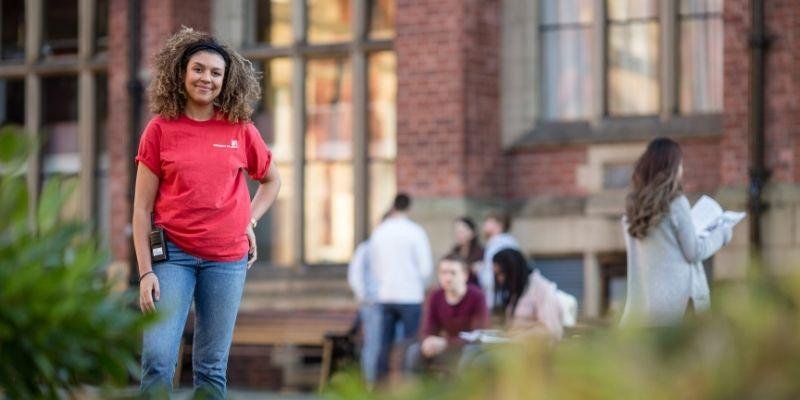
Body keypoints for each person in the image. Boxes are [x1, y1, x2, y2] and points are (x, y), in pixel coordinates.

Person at [132, 27, 281, 399]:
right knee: (157, 357)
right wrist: (145, 271)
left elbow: (272, 181)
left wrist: (250, 220)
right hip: (173, 257)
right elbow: (141, 208)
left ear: (225, 80)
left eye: (216, 73)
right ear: (181, 73)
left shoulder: (240, 129)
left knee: (212, 366)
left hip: (227, 260)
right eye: (199, 69)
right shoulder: (160, 130)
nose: (207, 78)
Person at [620, 137, 732, 326]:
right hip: (680, 306)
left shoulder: (632, 211)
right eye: (680, 164)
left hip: (645, 311)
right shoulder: (676, 203)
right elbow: (694, 251)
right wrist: (722, 234)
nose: (682, 170)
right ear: (671, 168)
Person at [370, 193, 433, 380]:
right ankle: (408, 382)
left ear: (393, 207)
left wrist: (382, 283)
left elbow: (374, 265)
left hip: (386, 294)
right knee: (410, 343)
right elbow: (426, 268)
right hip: (410, 295)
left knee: (384, 343)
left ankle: (380, 383)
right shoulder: (415, 232)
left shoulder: (380, 231)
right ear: (409, 208)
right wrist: (421, 286)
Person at [404, 255, 488, 375]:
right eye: (443, 273)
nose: (448, 278)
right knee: (414, 352)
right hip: (446, 346)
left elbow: (478, 335)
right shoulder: (435, 296)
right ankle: (416, 392)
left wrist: (446, 343)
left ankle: (462, 393)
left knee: (468, 355)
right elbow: (427, 328)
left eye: (453, 273)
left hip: (468, 347)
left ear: (465, 275)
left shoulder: (477, 296)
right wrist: (428, 340)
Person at [492, 249, 563, 340]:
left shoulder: (541, 288)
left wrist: (522, 336)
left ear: (514, 269)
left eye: (502, 273)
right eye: (496, 275)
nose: (500, 279)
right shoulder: (516, 291)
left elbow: (552, 330)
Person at [346, 239, 381, 386]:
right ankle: (370, 384)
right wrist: (364, 298)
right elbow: (355, 274)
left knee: (396, 344)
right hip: (372, 304)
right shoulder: (367, 247)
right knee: (373, 344)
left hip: (393, 301)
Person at [480, 211, 520, 308]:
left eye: (488, 221)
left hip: (501, 297)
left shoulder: (504, 242)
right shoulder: (494, 242)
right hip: (493, 295)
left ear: (499, 225)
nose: (485, 224)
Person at [447, 217, 483, 286]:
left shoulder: (481, 253)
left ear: (473, 233)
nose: (459, 235)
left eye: (462, 232)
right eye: (457, 232)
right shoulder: (454, 252)